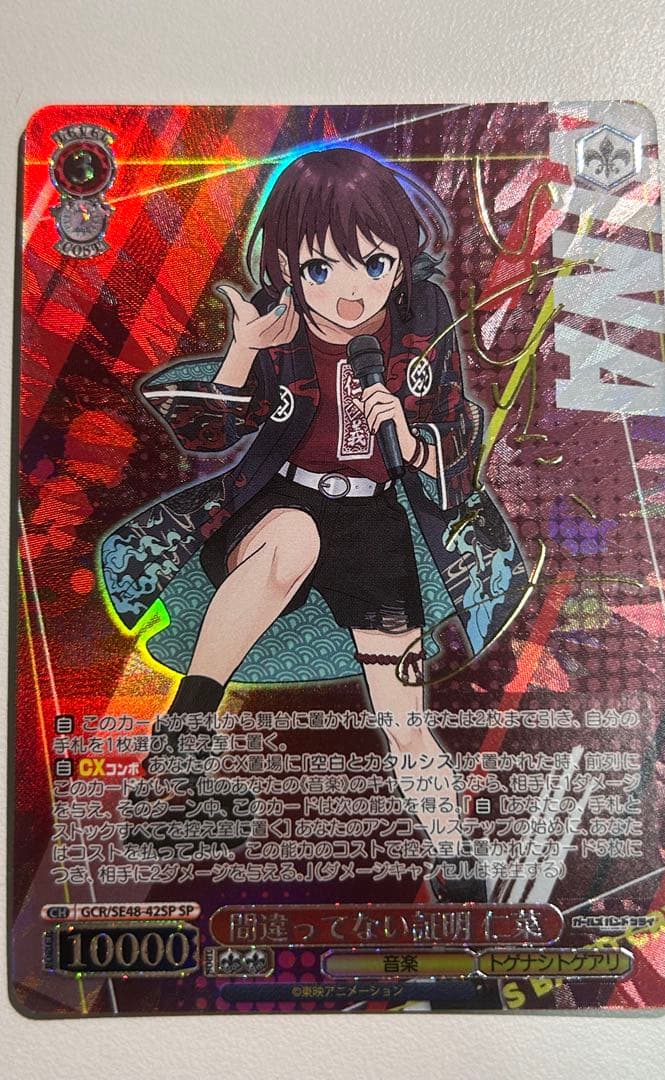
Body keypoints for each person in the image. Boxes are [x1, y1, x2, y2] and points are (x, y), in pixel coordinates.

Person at [101, 147, 531, 900]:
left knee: (405, 716)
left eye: (375, 264)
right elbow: (210, 438)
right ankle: (178, 759)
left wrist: (410, 439)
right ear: (288, 269)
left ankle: (454, 859)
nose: (350, 293)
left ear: (401, 264)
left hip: (376, 528)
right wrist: (242, 353)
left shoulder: (423, 320)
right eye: (322, 269)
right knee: (294, 536)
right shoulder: (280, 328)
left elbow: (455, 434)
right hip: (281, 506)